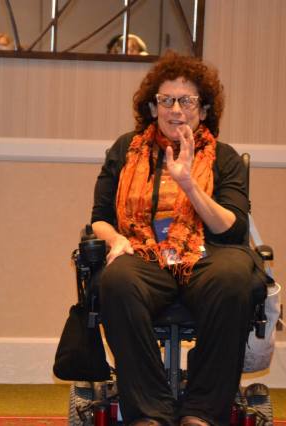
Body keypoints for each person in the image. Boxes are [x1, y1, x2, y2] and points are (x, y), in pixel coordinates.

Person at [91, 51, 254, 425]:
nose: (175, 109)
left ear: (203, 109)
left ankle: (201, 413)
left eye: (187, 100)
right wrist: (115, 239)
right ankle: (150, 412)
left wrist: (188, 183)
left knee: (233, 277)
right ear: (152, 108)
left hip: (205, 256)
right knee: (116, 279)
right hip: (144, 256)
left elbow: (232, 229)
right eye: (166, 100)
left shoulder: (223, 158)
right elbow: (99, 219)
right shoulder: (124, 151)